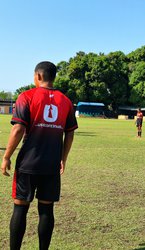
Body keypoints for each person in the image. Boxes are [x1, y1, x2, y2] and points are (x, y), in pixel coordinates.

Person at [1, 61, 78, 250]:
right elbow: (70, 132)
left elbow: (18, 128)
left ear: (39, 76)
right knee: (46, 210)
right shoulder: (66, 101)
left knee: (20, 208)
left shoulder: (26, 96)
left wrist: (6, 156)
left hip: (28, 163)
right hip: (51, 164)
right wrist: (63, 158)